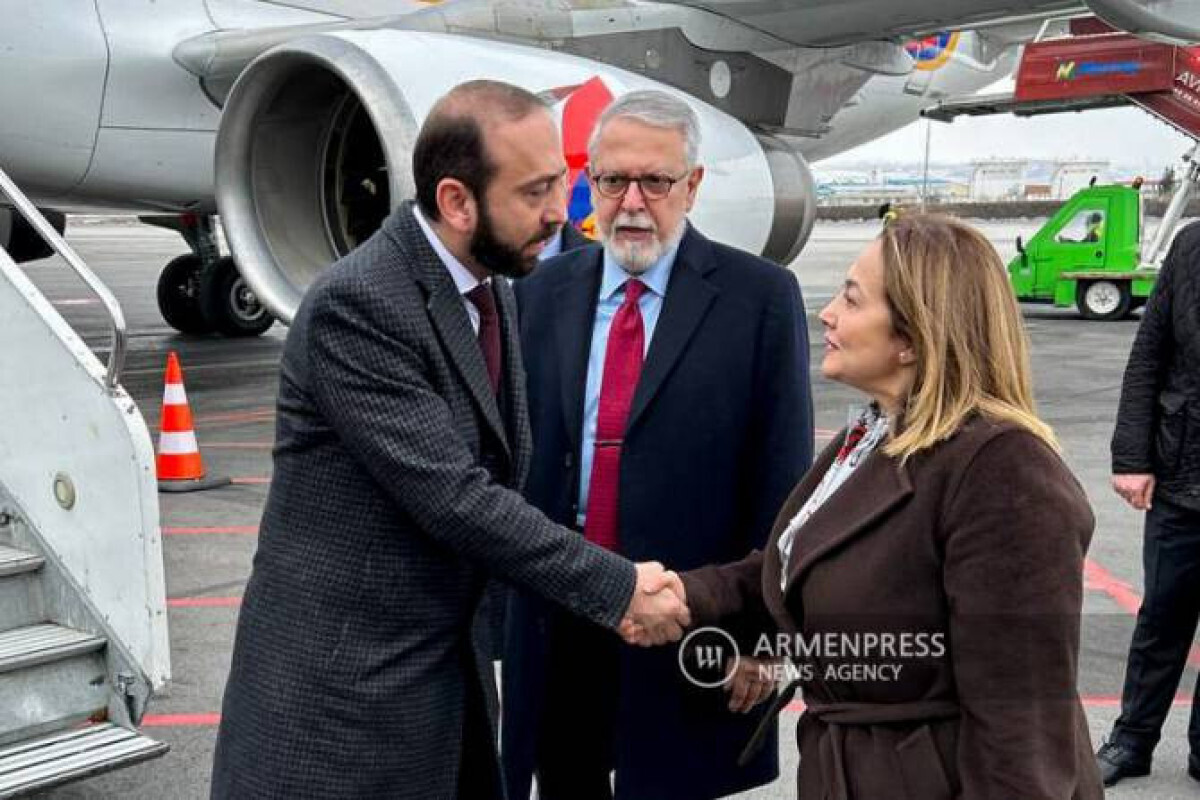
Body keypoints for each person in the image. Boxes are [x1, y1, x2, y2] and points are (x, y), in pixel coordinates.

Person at [209, 80, 689, 800]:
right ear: (458, 202)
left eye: (559, 183)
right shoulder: (360, 305)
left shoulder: (490, 287)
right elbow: (458, 498)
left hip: (444, 686)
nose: (559, 212)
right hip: (341, 707)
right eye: (535, 192)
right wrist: (618, 588)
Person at [663, 213, 1104, 799]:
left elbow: (1020, 727)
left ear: (914, 338)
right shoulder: (879, 433)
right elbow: (806, 565)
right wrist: (684, 594)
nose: (828, 314)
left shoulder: (1004, 471)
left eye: (852, 299)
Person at [503, 90, 813, 800]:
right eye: (613, 181)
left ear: (693, 186)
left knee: (672, 784)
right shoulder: (537, 293)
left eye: (656, 181)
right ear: (590, 184)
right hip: (561, 609)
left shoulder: (759, 298)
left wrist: (764, 637)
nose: (633, 203)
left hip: (690, 613)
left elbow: (782, 485)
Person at [1096, 220, 1200, 787]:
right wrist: (1131, 457)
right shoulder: (1191, 246)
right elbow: (1147, 358)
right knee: (1163, 616)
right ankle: (1132, 740)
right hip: (1183, 476)